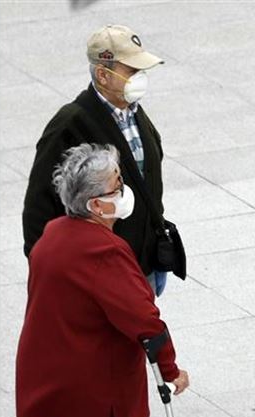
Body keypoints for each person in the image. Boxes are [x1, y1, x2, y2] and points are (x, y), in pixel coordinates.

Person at [16, 144, 191, 417]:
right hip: (92, 388)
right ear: (97, 204)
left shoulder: (52, 236)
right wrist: (170, 369)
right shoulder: (103, 252)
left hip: (44, 378)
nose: (123, 189)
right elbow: (142, 318)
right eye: (117, 184)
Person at [23, 24, 171, 296]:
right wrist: (48, 273)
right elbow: (38, 207)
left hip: (142, 267)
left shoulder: (135, 113)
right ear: (103, 74)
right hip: (98, 273)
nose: (140, 77)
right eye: (132, 71)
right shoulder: (69, 125)